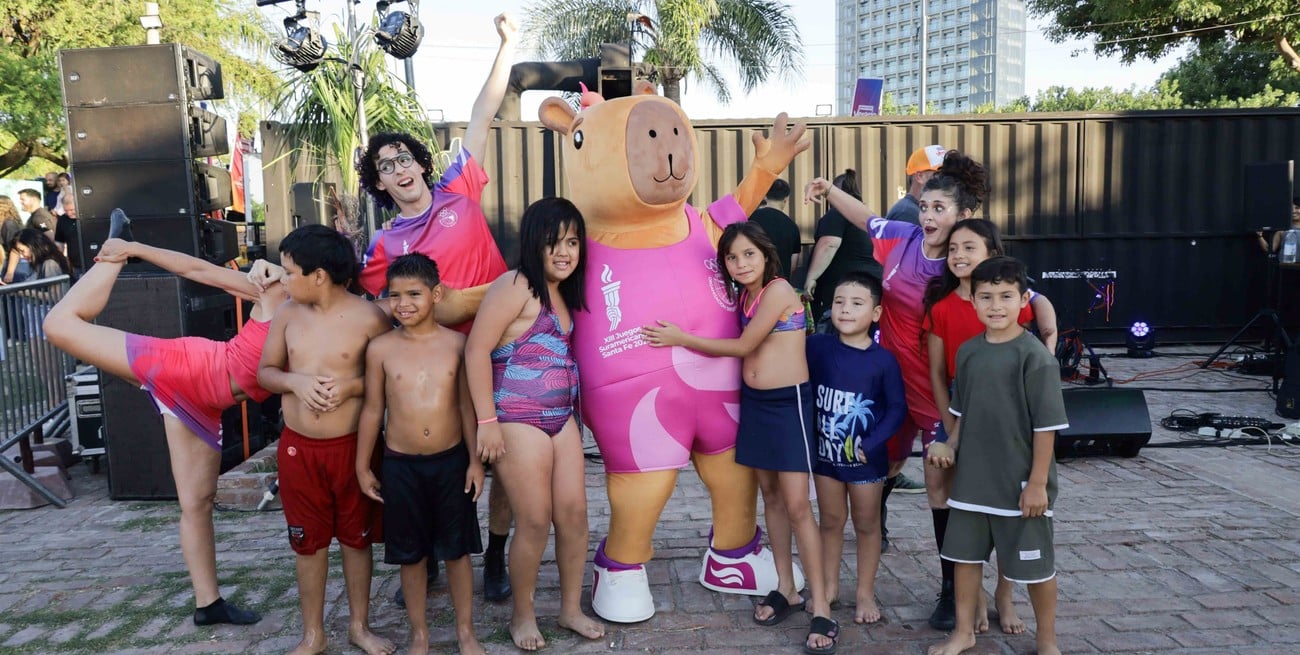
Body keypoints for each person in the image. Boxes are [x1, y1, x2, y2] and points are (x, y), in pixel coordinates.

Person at [43, 223, 283, 628]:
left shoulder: (329, 319)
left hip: (205, 402)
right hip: (187, 365)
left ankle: (208, 605)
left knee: (198, 501)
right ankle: (113, 252)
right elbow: (198, 271)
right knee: (59, 324)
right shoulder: (276, 291)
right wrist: (134, 247)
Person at [357, 13, 519, 603]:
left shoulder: (460, 189)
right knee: (440, 460)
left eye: (403, 159)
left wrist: (507, 45)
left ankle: (496, 554)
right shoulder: (383, 247)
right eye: (385, 167)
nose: (398, 170)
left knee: (506, 459)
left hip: (505, 346)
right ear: (379, 184)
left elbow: (483, 112)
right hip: (441, 362)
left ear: (422, 163)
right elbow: (382, 313)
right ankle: (421, 560)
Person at [805, 149, 988, 630]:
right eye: (924, 207)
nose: (927, 216)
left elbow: (1018, 297)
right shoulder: (902, 237)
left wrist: (1045, 336)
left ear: (964, 216)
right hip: (883, 382)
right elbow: (866, 218)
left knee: (937, 487)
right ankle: (873, 541)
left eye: (938, 209)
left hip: (934, 392)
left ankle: (951, 592)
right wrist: (830, 191)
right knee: (876, 463)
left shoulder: (968, 263)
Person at [643, 222, 837, 655]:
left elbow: (745, 345)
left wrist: (679, 338)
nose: (741, 263)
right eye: (732, 257)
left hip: (788, 406)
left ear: (765, 255)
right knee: (769, 497)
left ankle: (821, 604)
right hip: (756, 405)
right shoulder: (742, 296)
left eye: (748, 254)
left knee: (797, 506)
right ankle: (786, 588)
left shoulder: (780, 291)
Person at [465, 197, 604, 651]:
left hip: (562, 418)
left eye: (572, 242)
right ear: (533, 243)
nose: (564, 252)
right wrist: (486, 421)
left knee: (575, 516)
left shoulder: (563, 291)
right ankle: (522, 616)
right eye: (553, 242)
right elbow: (475, 350)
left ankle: (568, 608)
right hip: (515, 417)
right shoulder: (515, 285)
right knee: (534, 520)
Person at [257, 224, 395, 655]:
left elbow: (390, 377)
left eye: (289, 272)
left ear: (319, 276)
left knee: (357, 539)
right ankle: (312, 634)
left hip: (354, 448)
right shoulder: (287, 314)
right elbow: (265, 372)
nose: (283, 280)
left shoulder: (370, 318)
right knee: (308, 544)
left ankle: (359, 625)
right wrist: (295, 382)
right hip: (300, 447)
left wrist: (351, 388)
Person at [922, 218, 1058, 634]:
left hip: (1015, 465)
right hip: (967, 459)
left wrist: (1037, 482)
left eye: (1004, 297)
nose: (995, 305)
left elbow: (1045, 424)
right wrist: (950, 438)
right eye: (986, 298)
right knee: (964, 541)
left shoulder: (1032, 350)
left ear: (1021, 301)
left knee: (1024, 547)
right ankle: (964, 617)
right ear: (976, 303)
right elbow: (952, 399)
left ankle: (1028, 618)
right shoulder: (961, 341)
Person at [356, 253, 486, 655]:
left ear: (436, 293)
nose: (403, 303)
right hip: (401, 465)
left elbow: (467, 407)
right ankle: (420, 635)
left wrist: (476, 461)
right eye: (393, 295)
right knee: (410, 557)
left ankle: (466, 632)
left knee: (457, 551)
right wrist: (363, 466)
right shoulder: (380, 349)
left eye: (414, 293)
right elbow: (374, 410)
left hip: (450, 461)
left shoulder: (458, 344)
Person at [809, 271, 906, 625]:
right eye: (838, 302)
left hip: (866, 462)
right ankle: (830, 586)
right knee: (830, 522)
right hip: (825, 460)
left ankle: (864, 592)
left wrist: (873, 442)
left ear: (876, 313)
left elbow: (897, 408)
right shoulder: (817, 346)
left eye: (856, 303)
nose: (845, 310)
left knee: (866, 525)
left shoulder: (883, 360)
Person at [804, 169, 884, 330]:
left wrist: (811, 278)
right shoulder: (867, 217)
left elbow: (829, 244)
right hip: (871, 294)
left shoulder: (836, 214)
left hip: (844, 296)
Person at [749, 179, 802, 280]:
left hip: (753, 282)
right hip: (779, 284)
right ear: (786, 198)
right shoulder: (792, 226)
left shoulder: (750, 219)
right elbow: (793, 265)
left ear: (765, 196)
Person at [885, 146, 945, 225]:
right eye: (941, 173)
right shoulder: (906, 214)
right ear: (919, 177)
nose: (948, 179)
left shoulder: (917, 210)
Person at [54, 193, 81, 273]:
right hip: (74, 264)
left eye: (72, 210)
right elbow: (59, 242)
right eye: (66, 211)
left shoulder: (88, 217)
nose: (69, 214)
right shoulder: (62, 220)